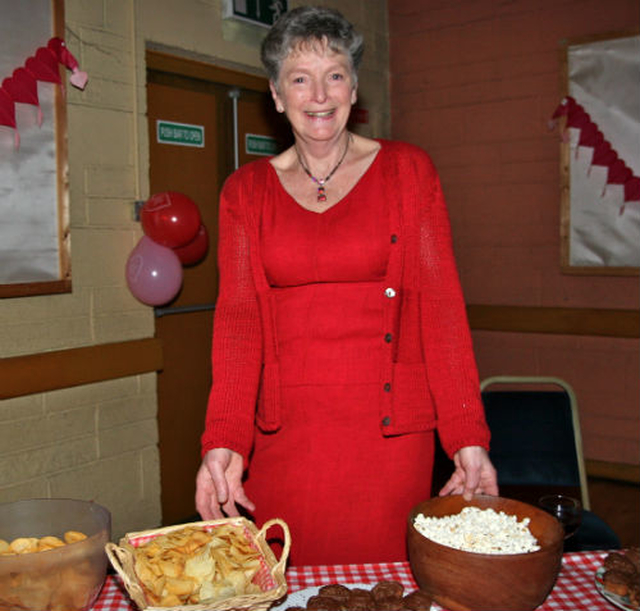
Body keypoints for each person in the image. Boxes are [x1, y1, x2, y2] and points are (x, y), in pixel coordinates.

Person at [195, 5, 498, 566]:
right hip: (285, 437)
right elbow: (238, 327)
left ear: (354, 88)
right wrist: (224, 442)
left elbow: (441, 310)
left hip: (389, 438)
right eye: (300, 78)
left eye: (334, 74)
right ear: (277, 94)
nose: (319, 94)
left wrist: (466, 436)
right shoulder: (245, 193)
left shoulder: (409, 172)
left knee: (386, 581)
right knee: (288, 579)